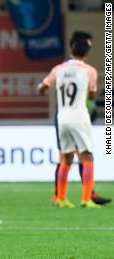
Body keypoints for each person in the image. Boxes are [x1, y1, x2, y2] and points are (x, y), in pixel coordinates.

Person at [38, 31, 103, 208]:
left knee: (65, 159)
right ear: (87, 54)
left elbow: (42, 87)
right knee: (87, 156)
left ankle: (61, 198)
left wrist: (47, 87)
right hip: (79, 117)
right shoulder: (89, 71)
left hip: (62, 118)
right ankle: (87, 198)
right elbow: (91, 94)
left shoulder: (58, 69)